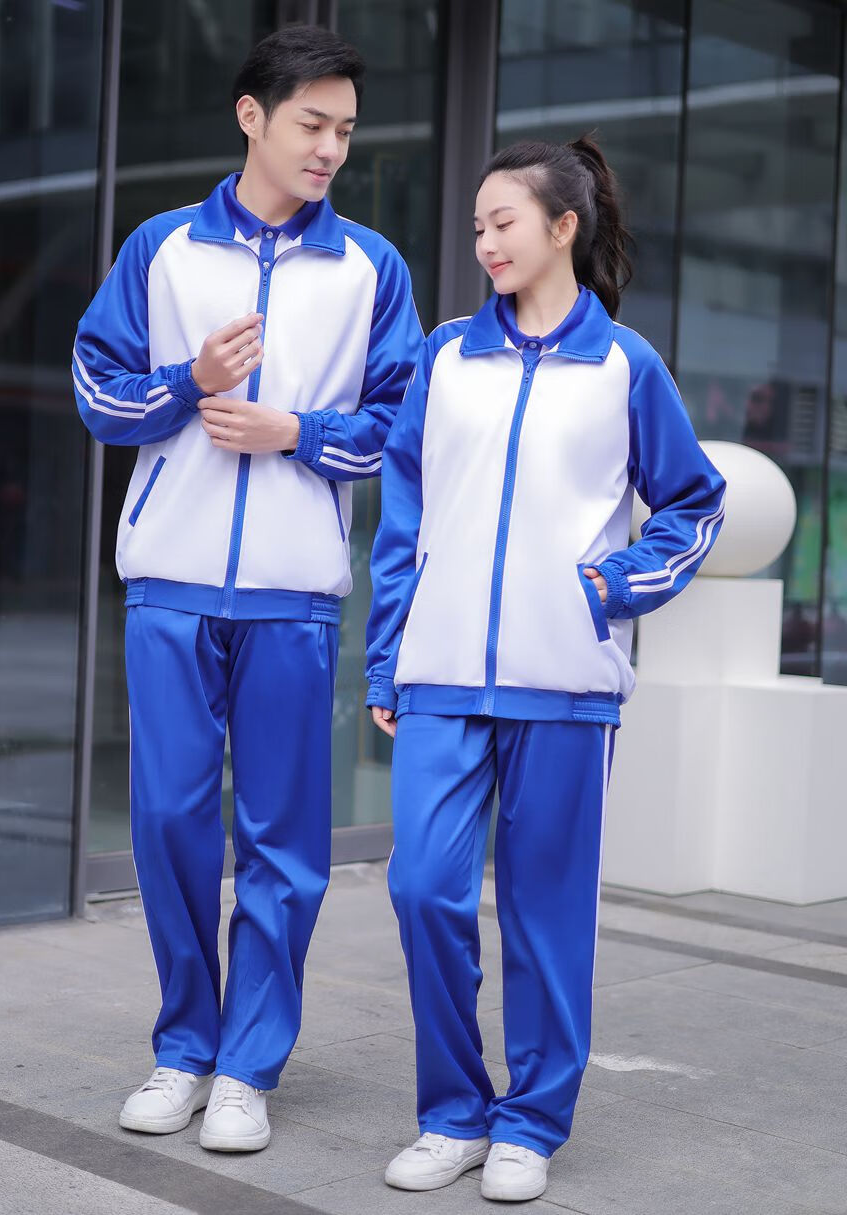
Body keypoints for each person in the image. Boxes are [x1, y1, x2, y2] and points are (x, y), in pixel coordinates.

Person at [72, 25, 422, 1154]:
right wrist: (189, 382)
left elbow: (401, 425)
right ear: (252, 117)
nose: (331, 149)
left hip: (293, 596)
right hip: (169, 586)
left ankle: (246, 1068)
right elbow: (97, 391)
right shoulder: (163, 250)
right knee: (170, 823)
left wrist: (295, 432)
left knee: (282, 842)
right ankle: (184, 1046)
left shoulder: (370, 268)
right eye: (314, 124)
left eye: (346, 131)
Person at [365, 136, 725, 1202]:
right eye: (477, 226)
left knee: (545, 914)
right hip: (440, 677)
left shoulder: (625, 367)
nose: (484, 242)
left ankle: (529, 1122)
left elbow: (694, 503)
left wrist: (610, 587)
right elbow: (402, 520)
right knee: (422, 888)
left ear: (563, 228)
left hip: (566, 686)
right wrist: (387, 661)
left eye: (503, 223)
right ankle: (452, 1113)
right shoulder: (445, 358)